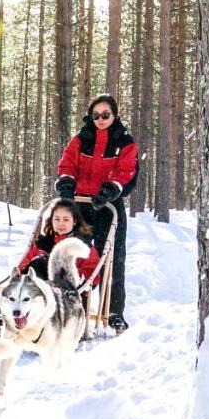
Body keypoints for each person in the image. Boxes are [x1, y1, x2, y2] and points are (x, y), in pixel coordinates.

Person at [54, 94, 138, 332]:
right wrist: (67, 182)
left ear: (114, 115)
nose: (101, 120)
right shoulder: (81, 139)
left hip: (108, 208)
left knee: (113, 259)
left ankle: (114, 313)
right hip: (80, 207)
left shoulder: (124, 141)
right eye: (96, 115)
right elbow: (68, 163)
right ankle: (73, 309)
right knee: (75, 257)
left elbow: (127, 170)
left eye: (105, 115)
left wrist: (111, 189)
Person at [16, 198, 100, 287]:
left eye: (66, 219)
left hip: (69, 292)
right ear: (51, 221)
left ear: (74, 221)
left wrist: (65, 269)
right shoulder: (42, 244)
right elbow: (22, 267)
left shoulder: (83, 246)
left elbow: (92, 278)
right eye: (57, 219)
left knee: (46, 264)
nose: (61, 224)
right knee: (39, 263)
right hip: (34, 292)